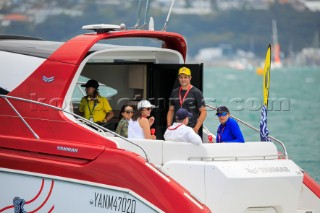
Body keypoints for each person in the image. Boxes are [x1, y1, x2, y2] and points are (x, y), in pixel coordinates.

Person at [167, 67, 207, 134]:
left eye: (185, 77)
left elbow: (204, 112)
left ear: (190, 78)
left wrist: (196, 128)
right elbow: (171, 110)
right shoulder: (174, 92)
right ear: (178, 78)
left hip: (190, 128)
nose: (183, 79)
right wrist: (169, 126)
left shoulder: (196, 92)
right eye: (181, 77)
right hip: (176, 128)